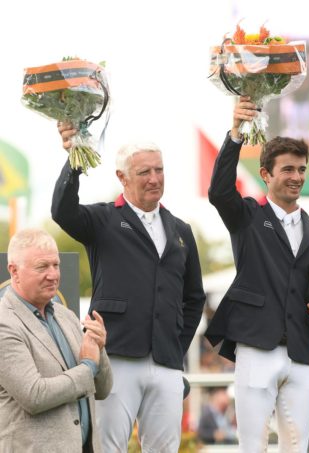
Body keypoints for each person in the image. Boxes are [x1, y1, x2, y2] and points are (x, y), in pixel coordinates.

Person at [204, 96, 309, 453]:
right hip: (256, 348)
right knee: (252, 447)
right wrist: (236, 133)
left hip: (303, 354)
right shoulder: (247, 218)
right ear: (266, 174)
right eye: (288, 169)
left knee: (297, 448)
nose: (296, 177)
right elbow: (219, 191)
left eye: (302, 169)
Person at [52, 124, 206, 451]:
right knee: (108, 446)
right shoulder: (103, 220)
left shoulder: (181, 230)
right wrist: (74, 159)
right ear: (122, 178)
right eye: (144, 172)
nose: (154, 178)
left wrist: (176, 344)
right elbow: (62, 211)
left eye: (159, 170)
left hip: (166, 360)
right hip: (115, 356)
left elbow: (194, 298)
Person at [0, 228, 112, 452]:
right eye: (42, 266)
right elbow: (34, 395)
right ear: (14, 271)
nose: (53, 275)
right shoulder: (4, 323)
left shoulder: (66, 316)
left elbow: (102, 390)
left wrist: (99, 349)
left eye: (56, 265)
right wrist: (89, 366)